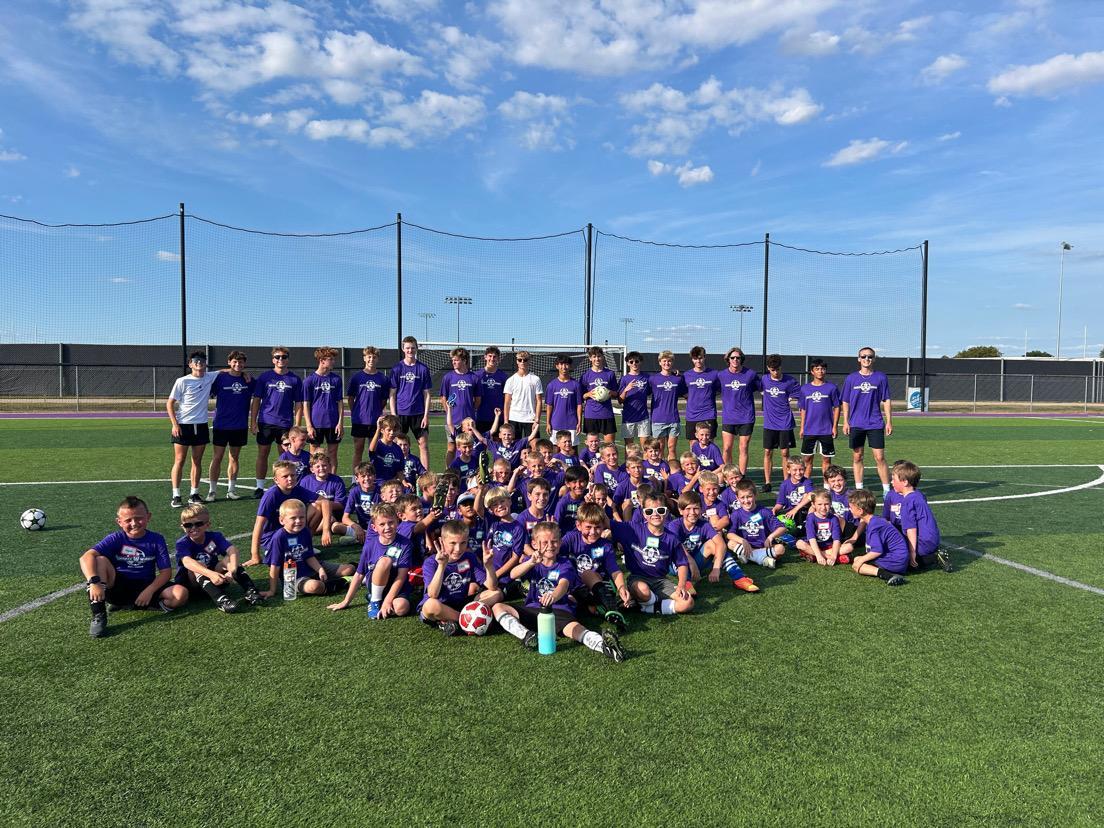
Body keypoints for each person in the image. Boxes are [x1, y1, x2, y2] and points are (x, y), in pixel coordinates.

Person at [491, 522, 626, 662]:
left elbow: (563, 584)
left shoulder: (564, 564)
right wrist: (531, 562)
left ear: (560, 543)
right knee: (498, 607)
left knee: (576, 630)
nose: (550, 545)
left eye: (554, 541)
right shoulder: (531, 562)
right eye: (545, 542)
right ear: (534, 544)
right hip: (533, 609)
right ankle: (526, 635)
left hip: (558, 610)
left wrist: (553, 596)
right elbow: (513, 574)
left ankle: (604, 646)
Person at [80, 496, 189, 638]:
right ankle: (99, 614)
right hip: (119, 587)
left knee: (181, 594)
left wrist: (149, 591)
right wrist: (94, 582)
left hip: (146, 585)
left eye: (139, 518)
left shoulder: (156, 539)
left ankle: (133, 604)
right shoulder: (115, 538)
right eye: (128, 520)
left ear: (148, 517)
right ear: (119, 522)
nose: (134, 523)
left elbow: (166, 572)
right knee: (100, 560)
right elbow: (85, 557)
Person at [610, 493, 694, 615]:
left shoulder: (672, 538)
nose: (655, 514)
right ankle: (649, 600)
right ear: (644, 514)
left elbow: (682, 564)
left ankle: (644, 607)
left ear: (666, 512)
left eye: (660, 510)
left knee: (688, 603)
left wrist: (681, 585)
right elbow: (607, 523)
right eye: (649, 511)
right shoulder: (632, 529)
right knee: (643, 590)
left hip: (661, 581)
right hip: (638, 578)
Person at [328, 504, 413, 619]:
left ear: (397, 522)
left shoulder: (405, 544)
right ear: (374, 527)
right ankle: (375, 600)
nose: (387, 527)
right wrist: (346, 601)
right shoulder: (370, 545)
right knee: (385, 561)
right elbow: (359, 574)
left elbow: (401, 577)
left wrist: (388, 601)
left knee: (401, 608)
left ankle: (383, 600)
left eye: (391, 522)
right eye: (382, 524)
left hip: (396, 585)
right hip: (375, 582)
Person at [418, 519, 501, 636]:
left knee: (497, 593)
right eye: (453, 543)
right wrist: (442, 566)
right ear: (442, 541)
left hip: (460, 603)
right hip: (440, 606)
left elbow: (492, 586)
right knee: (431, 605)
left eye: (463, 543)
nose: (458, 549)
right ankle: (468, 621)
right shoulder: (431, 562)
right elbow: (433, 594)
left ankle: (458, 620)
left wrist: (489, 566)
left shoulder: (469, 557)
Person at [174, 504, 263, 611]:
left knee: (229, 559)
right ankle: (222, 600)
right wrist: (211, 574)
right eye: (188, 525)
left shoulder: (215, 536)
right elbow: (187, 562)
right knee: (198, 565)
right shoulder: (182, 543)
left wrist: (232, 571)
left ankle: (251, 591)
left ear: (208, 525)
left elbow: (232, 550)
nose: (193, 528)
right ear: (183, 527)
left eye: (198, 524)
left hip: (216, 580)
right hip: (192, 587)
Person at [261, 499, 353, 599]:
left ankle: (359, 572)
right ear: (281, 520)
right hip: (294, 577)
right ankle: (342, 583)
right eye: (293, 518)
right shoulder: (279, 537)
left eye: (302, 517)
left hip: (310, 567)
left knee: (348, 569)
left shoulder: (305, 531)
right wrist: (272, 590)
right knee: (315, 586)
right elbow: (275, 566)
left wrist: (320, 569)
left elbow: (309, 556)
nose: (298, 521)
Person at [246, 460, 332, 566]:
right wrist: (255, 555)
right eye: (285, 476)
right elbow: (259, 524)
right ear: (276, 480)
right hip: (273, 536)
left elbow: (325, 501)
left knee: (317, 507)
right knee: (288, 557)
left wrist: (326, 530)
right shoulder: (271, 495)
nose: (290, 479)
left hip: (291, 531)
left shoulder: (297, 489)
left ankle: (304, 543)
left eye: (293, 475)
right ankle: (278, 549)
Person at [250, 346, 304, 498]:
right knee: (263, 454)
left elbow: (298, 403)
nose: (281, 359)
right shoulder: (265, 377)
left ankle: (286, 485)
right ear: (273, 359)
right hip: (265, 422)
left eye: (284, 357)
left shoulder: (295, 379)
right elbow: (256, 400)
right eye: (277, 357)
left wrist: (296, 426)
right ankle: (259, 487)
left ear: (288, 359)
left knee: (286, 456)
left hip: (285, 424)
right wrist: (253, 422)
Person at [167, 351, 218, 507]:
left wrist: (244, 374)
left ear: (205, 363)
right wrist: (175, 424)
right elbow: (170, 403)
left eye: (202, 360)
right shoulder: (182, 381)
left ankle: (194, 494)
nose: (199, 363)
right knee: (179, 460)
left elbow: (227, 370)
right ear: (190, 364)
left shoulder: (209, 377)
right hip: (183, 425)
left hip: (201, 425)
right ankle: (176, 495)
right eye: (195, 361)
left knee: (197, 461)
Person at [841, 347, 893, 493]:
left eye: (870, 356)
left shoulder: (881, 377)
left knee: (879, 457)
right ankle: (859, 490)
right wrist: (845, 421)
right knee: (857, 456)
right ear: (859, 359)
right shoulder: (851, 378)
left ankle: (886, 490)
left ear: (874, 359)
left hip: (875, 423)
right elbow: (845, 401)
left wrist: (889, 421)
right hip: (856, 423)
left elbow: (886, 400)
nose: (866, 359)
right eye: (863, 356)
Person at [886, 460, 951, 571]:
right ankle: (933, 555)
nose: (891, 482)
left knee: (898, 562)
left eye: (894, 479)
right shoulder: (918, 495)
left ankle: (933, 558)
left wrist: (912, 552)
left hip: (922, 543)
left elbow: (911, 529)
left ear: (905, 482)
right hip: (932, 541)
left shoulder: (907, 502)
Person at [207, 350, 254, 502]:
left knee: (234, 458)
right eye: (234, 361)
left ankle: (231, 490)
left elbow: (259, 395)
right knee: (217, 457)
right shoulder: (220, 378)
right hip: (221, 425)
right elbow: (207, 382)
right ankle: (212, 491)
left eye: (241, 362)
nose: (238, 364)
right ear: (229, 362)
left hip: (239, 426)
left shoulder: (249, 380)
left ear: (244, 364)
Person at [846, 489, 908, 586]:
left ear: (860, 511)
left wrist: (861, 560)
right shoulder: (874, 520)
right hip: (898, 559)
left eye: (851, 507)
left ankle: (888, 575)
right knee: (857, 558)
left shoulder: (874, 526)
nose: (849, 509)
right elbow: (862, 521)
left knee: (859, 565)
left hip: (895, 562)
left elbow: (877, 551)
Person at [389, 336, 433, 470]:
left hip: (419, 413)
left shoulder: (423, 369)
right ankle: (397, 474)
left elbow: (427, 394)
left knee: (423, 444)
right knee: (397, 445)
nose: (410, 350)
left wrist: (426, 415)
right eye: (407, 348)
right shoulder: (397, 368)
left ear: (416, 348)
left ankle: (425, 476)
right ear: (403, 349)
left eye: (412, 348)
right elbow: (392, 394)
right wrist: (394, 415)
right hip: (401, 414)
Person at [346, 346, 391, 478]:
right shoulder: (357, 377)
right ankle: (355, 479)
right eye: (369, 357)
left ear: (378, 359)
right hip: (359, 420)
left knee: (374, 451)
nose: (371, 359)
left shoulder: (383, 379)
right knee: (358, 450)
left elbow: (384, 400)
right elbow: (350, 398)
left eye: (374, 357)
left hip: (375, 422)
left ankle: (375, 478)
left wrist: (376, 412)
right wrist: (356, 412)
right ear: (364, 358)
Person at [760, 354, 799, 493]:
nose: (775, 372)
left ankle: (786, 482)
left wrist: (792, 398)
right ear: (768, 368)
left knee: (785, 453)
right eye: (772, 370)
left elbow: (800, 393)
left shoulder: (790, 381)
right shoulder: (764, 380)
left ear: (781, 367)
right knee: (768, 451)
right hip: (769, 423)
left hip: (785, 422)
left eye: (777, 369)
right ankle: (768, 482)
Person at [727, 479, 787, 569]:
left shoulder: (764, 512)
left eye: (749, 496)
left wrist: (770, 537)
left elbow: (782, 528)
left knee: (780, 549)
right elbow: (730, 534)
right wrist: (743, 541)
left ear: (755, 495)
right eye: (742, 497)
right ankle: (760, 558)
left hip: (764, 547)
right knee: (731, 543)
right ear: (737, 498)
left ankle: (748, 556)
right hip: (746, 546)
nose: (746, 500)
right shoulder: (736, 514)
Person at [718, 347, 759, 475]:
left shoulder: (751, 374)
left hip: (746, 417)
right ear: (728, 359)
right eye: (732, 357)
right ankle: (728, 475)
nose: (735, 360)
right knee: (726, 448)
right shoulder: (721, 375)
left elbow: (762, 388)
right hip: (729, 417)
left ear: (741, 359)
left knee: (743, 447)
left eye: (738, 357)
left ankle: (741, 476)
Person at [302, 346, 344, 472]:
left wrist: (340, 423)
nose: (333, 362)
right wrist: (309, 425)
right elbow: (306, 404)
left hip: (333, 423)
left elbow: (340, 403)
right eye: (331, 359)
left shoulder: (336, 379)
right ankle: (313, 480)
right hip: (316, 423)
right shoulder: (309, 380)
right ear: (322, 361)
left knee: (332, 454)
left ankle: (332, 479)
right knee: (314, 454)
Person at [798, 359, 841, 480]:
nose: (820, 371)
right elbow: (803, 409)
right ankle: (806, 485)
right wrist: (802, 428)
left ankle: (826, 486)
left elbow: (837, 407)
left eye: (822, 369)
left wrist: (835, 426)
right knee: (807, 459)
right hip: (809, 430)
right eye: (817, 369)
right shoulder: (805, 389)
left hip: (826, 430)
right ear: (812, 371)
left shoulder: (832, 388)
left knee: (826, 460)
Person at [440, 347, 480, 465]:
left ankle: (469, 471)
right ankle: (449, 471)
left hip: (468, 422)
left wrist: (470, 411)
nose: (453, 362)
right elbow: (443, 398)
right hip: (453, 420)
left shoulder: (473, 377)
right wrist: (449, 412)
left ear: (464, 360)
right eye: (453, 360)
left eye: (456, 360)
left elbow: (478, 399)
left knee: (469, 447)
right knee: (451, 448)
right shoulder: (448, 377)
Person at [648, 350, 686, 467]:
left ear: (672, 362)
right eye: (664, 361)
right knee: (659, 449)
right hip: (658, 419)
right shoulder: (653, 379)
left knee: (672, 448)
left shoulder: (678, 379)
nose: (667, 363)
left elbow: (687, 394)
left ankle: (672, 471)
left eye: (669, 361)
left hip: (673, 419)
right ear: (660, 362)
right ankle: (660, 470)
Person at [503, 350, 543, 447]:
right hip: (514, 418)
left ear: (529, 361)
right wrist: (506, 421)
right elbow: (507, 402)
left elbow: (539, 401)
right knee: (514, 448)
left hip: (530, 419)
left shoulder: (535, 379)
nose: (522, 362)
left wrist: (537, 420)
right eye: (520, 360)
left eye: (525, 360)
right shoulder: (510, 380)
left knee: (534, 446)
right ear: (517, 361)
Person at [580, 346, 618, 443]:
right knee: (592, 446)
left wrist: (609, 392)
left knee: (610, 445)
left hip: (607, 414)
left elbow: (616, 393)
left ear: (603, 357)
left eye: (599, 356)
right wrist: (588, 394)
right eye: (594, 356)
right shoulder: (585, 375)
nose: (597, 359)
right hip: (591, 414)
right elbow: (581, 396)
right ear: (590, 358)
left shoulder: (610, 374)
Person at [795, 489, 841, 566]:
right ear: (813, 504)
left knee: (848, 547)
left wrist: (834, 555)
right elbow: (811, 538)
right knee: (799, 544)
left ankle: (813, 556)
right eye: (819, 504)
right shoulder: (811, 518)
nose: (823, 507)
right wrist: (819, 555)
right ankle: (827, 557)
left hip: (829, 546)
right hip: (814, 546)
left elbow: (836, 539)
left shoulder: (834, 518)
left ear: (830, 503)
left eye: (826, 504)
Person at [544, 354, 582, 444]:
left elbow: (579, 405)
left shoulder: (576, 385)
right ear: (557, 366)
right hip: (556, 423)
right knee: (555, 449)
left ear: (570, 366)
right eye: (561, 364)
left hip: (572, 424)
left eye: (566, 364)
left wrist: (579, 422)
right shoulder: (551, 385)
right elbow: (549, 406)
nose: (564, 367)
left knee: (572, 450)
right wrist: (548, 423)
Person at [684, 346, 720, 437]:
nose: (698, 361)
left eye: (700, 358)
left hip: (709, 415)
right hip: (692, 416)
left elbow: (719, 390)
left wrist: (708, 396)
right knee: (693, 444)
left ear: (705, 357)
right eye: (695, 359)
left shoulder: (714, 374)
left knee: (709, 442)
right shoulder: (686, 375)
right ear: (692, 359)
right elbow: (683, 392)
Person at [617, 351, 651, 447]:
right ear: (628, 363)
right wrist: (626, 390)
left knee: (645, 447)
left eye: (637, 361)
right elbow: (620, 401)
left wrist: (673, 372)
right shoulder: (624, 379)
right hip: (628, 418)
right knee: (629, 448)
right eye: (631, 362)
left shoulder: (647, 377)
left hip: (643, 417)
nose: (634, 364)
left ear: (641, 362)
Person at [474, 346, 508, 435]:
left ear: (498, 359)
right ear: (485, 357)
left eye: (494, 356)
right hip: (481, 417)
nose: (492, 359)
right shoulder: (477, 375)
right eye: (490, 356)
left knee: (498, 443)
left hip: (498, 417)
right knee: (481, 442)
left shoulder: (503, 376)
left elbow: (507, 398)